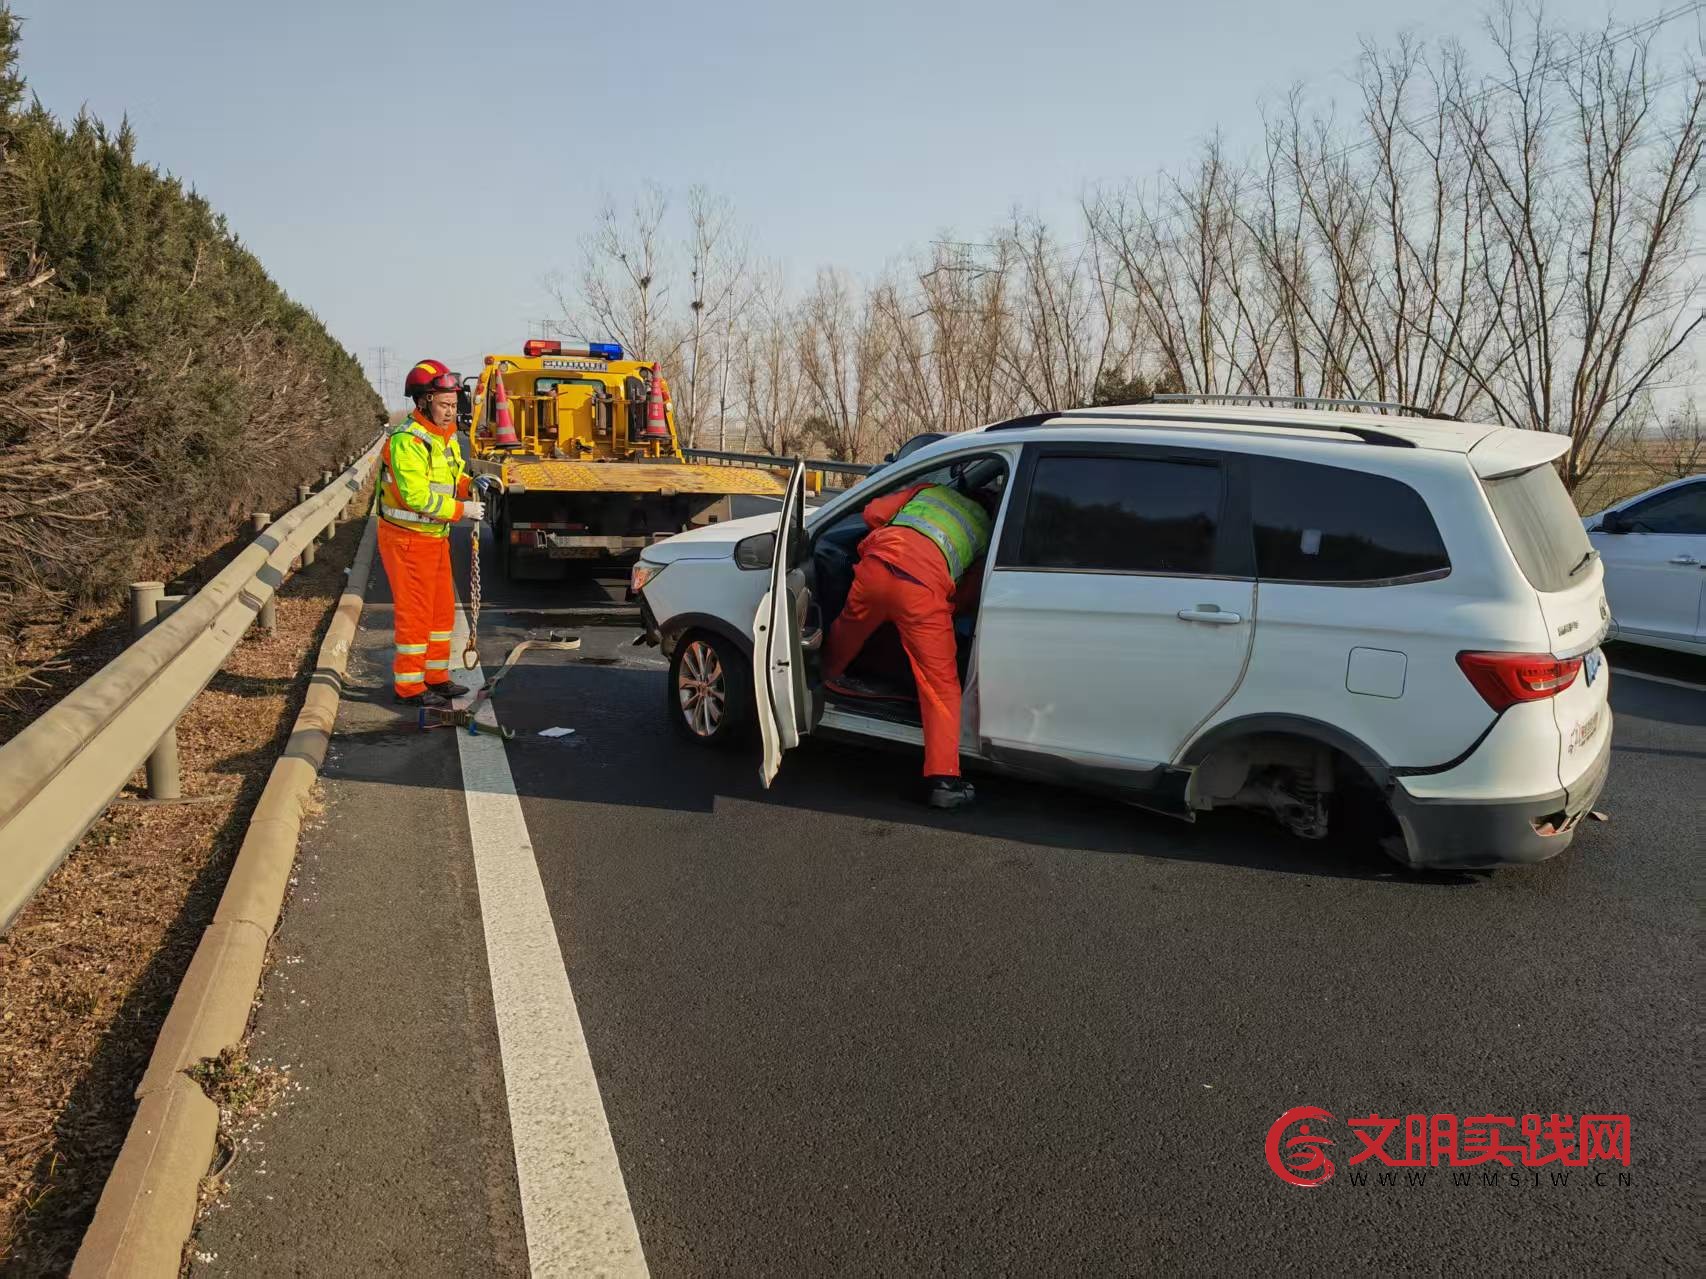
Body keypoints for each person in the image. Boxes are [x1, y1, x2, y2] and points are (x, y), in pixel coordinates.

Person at [820, 479, 994, 809]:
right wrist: (944, 610)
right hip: (922, 591)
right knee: (939, 686)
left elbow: (872, 512)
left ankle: (818, 682)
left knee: (845, 632)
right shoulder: (987, 528)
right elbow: (969, 593)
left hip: (876, 568)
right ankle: (943, 780)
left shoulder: (929, 491)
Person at [378, 359, 495, 707]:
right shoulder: (407, 442)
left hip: (433, 538)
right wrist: (463, 510)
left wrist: (470, 483)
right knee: (415, 616)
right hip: (406, 539)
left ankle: (436, 676)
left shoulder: (443, 440)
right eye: (444, 404)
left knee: (442, 612)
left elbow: (447, 481)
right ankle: (410, 687)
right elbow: (416, 496)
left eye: (454, 403)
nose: (451, 411)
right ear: (423, 401)